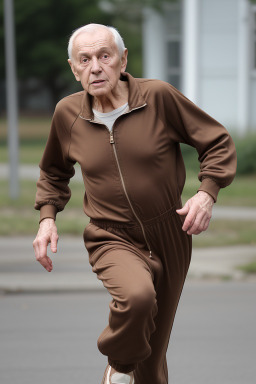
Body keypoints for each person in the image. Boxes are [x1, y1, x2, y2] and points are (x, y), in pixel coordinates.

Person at [33, 23, 237, 384]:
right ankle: (118, 366)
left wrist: (207, 193)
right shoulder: (68, 114)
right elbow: (53, 172)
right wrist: (47, 218)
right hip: (111, 236)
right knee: (138, 299)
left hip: (170, 233)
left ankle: (131, 369)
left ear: (123, 60)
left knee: (153, 355)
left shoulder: (158, 97)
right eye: (85, 59)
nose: (95, 67)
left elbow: (217, 142)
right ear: (73, 68)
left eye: (104, 56)